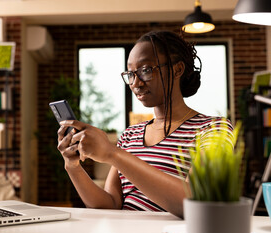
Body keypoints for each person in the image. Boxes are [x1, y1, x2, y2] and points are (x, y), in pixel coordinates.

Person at [56, 30, 233, 218]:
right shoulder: (130, 135)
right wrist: (73, 167)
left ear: (177, 69)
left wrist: (112, 154)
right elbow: (110, 205)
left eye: (146, 70)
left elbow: (196, 204)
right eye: (131, 74)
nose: (135, 83)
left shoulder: (214, 129)